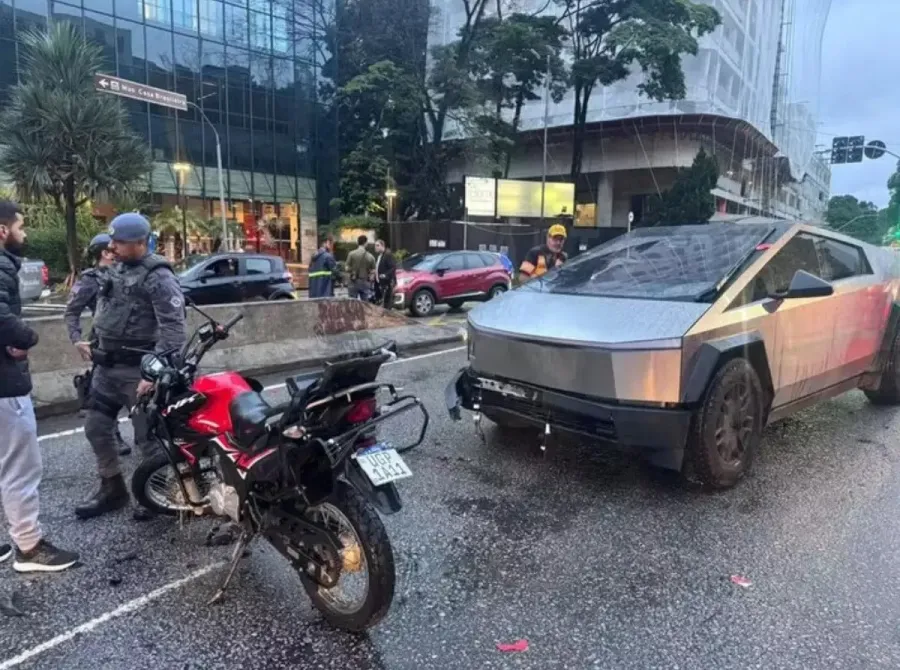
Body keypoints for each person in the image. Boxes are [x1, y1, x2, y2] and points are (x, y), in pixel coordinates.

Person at [75, 213, 188, 520]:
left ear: (140, 243)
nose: (111, 246)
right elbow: (105, 313)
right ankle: (112, 489)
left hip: (137, 371)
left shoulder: (158, 277)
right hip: (105, 370)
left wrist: (154, 373)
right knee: (97, 428)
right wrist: (88, 340)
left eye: (119, 241)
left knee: (147, 439)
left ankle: (157, 493)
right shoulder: (117, 269)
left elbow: (174, 331)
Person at [0, 200, 79, 572]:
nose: (25, 233)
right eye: (21, 225)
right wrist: (25, 337)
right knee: (20, 465)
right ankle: (29, 548)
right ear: (3, 230)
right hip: (4, 385)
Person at [65, 233, 131, 457]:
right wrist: (77, 340)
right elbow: (71, 312)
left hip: (133, 345)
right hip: (104, 346)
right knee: (105, 396)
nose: (118, 249)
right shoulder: (90, 279)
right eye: (114, 247)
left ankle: (149, 436)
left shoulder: (130, 272)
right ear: (105, 253)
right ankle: (113, 435)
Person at [308, 233, 342, 299]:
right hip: (325, 292)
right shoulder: (327, 256)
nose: (332, 247)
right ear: (327, 242)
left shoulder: (313, 257)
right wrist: (340, 280)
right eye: (332, 244)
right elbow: (335, 271)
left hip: (313, 293)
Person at [345, 235, 376, 300]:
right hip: (365, 282)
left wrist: (353, 270)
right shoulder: (370, 256)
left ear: (358, 242)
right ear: (365, 243)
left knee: (352, 304)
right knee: (365, 304)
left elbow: (346, 268)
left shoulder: (351, 254)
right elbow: (373, 271)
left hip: (353, 282)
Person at [373, 239, 396, 309]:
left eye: (377, 245)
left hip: (386, 283)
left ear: (382, 246)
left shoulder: (387, 254)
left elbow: (393, 267)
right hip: (380, 282)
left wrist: (385, 275)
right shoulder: (380, 255)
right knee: (381, 302)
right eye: (375, 245)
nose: (375, 247)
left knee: (387, 303)